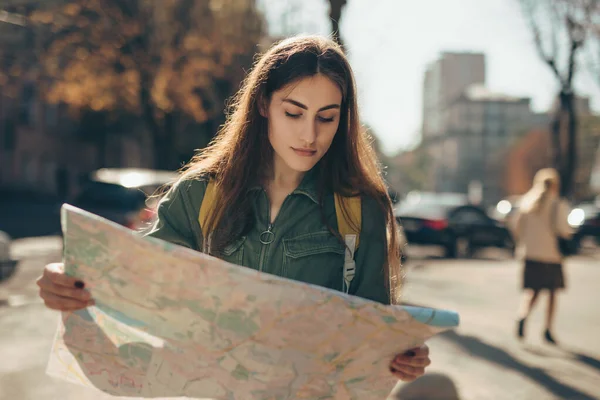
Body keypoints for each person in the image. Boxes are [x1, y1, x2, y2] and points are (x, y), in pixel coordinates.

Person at [36, 35, 431, 383]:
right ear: (262, 104)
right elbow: (135, 289)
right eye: (293, 113)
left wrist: (399, 358)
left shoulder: (362, 210)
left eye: (326, 118)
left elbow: (373, 338)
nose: (309, 135)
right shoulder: (197, 195)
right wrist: (70, 283)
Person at [513, 168, 572, 344]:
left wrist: (525, 243)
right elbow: (564, 230)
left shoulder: (526, 202)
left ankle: (522, 315)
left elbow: (516, 227)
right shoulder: (557, 204)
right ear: (555, 185)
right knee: (552, 294)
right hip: (551, 255)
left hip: (530, 254)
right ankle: (547, 328)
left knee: (533, 291)